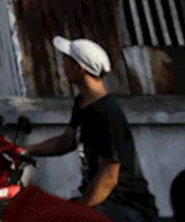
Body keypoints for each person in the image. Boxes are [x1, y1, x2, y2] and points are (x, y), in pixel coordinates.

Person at [25, 37, 157, 222]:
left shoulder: (106, 113)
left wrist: (76, 210)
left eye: (67, 62)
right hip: (101, 200)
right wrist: (24, 150)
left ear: (80, 68)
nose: (63, 66)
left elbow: (109, 178)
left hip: (124, 206)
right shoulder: (82, 103)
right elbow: (66, 141)